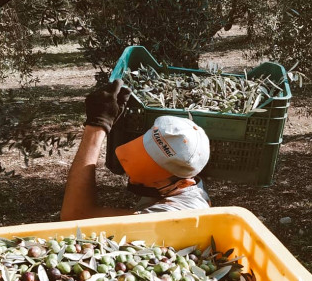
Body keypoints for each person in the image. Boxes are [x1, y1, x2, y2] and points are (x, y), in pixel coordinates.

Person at [60, 79, 212, 220]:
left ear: (183, 184)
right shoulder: (172, 184)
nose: (132, 173)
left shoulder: (177, 214)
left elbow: (75, 216)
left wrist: (97, 127)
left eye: (149, 169)